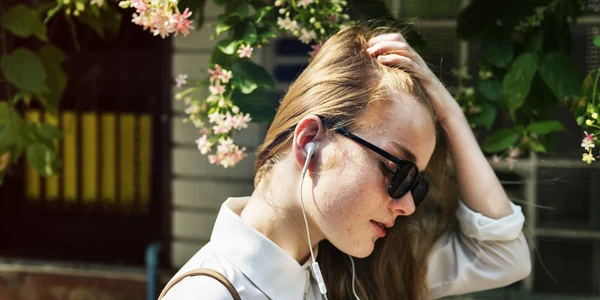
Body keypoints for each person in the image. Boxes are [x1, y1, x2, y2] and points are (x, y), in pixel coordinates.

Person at [160, 25, 531, 300]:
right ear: (308, 142)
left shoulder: (356, 273)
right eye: (398, 171)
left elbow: (504, 257)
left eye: (415, 184)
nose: (406, 205)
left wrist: (450, 115)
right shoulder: (207, 293)